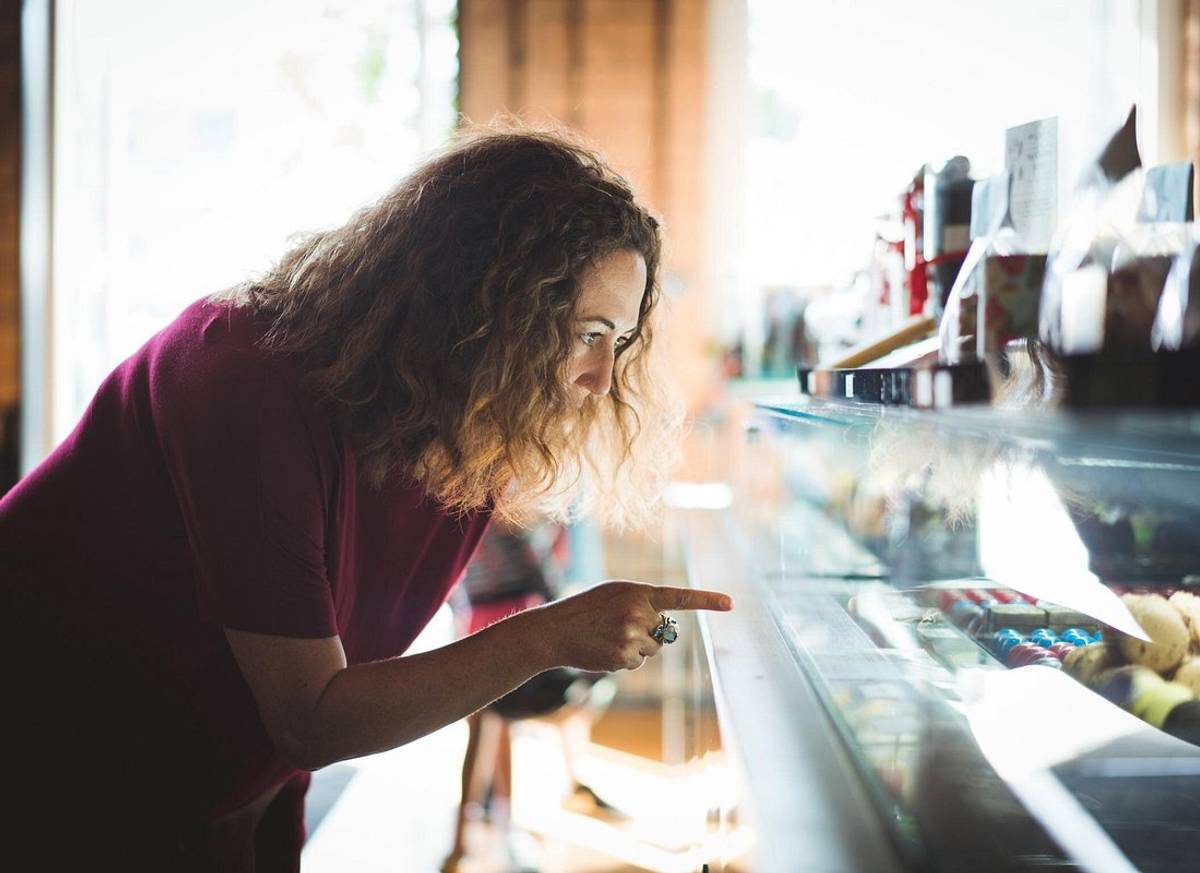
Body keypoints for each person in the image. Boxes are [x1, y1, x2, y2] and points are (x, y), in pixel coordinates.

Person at [0, 126, 732, 872]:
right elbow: (310, 717)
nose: (603, 378)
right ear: (482, 304)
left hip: (188, 780)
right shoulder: (243, 379)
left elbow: (296, 710)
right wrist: (545, 636)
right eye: (586, 333)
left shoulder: (461, 439)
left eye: (622, 339)